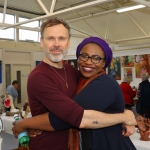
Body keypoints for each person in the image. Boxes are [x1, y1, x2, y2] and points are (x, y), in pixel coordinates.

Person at [12, 18, 136, 150]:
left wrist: (25, 123)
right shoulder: (39, 77)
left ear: (68, 42)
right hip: (49, 145)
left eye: (61, 38)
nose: (56, 44)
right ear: (42, 42)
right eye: (50, 38)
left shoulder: (72, 72)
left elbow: (91, 103)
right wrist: (123, 117)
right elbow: (76, 117)